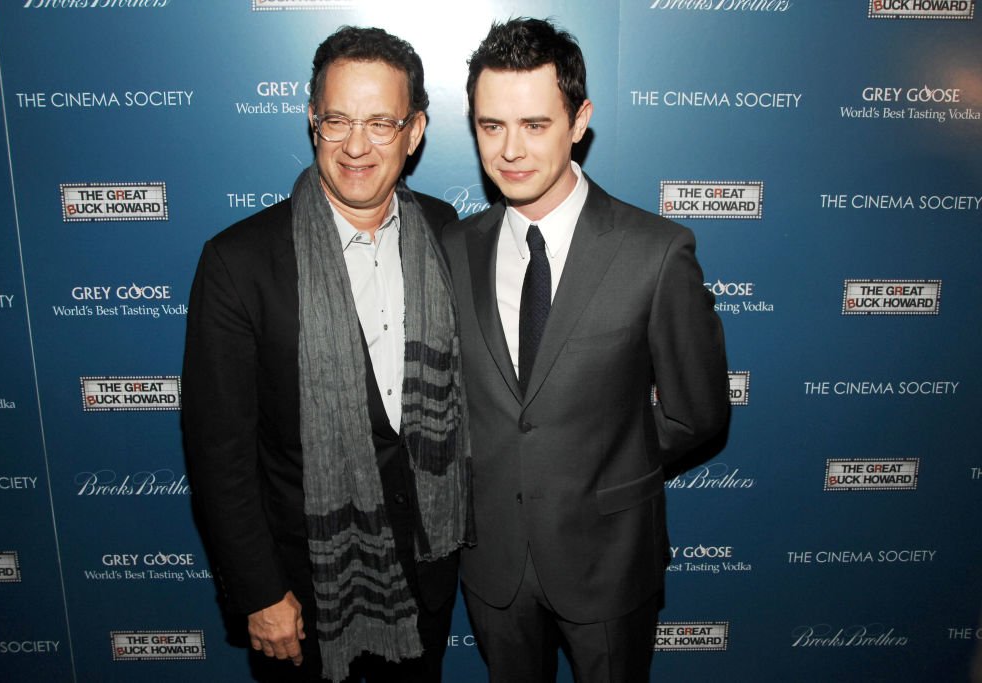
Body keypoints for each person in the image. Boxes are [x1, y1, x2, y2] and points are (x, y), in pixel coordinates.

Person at [442, 18, 729, 683]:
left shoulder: (655, 252)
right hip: (493, 560)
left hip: (609, 556)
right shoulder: (453, 249)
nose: (510, 150)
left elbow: (699, 413)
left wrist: (602, 457)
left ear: (580, 121)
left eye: (535, 124)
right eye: (491, 126)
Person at [182, 26, 472, 683]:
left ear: (415, 130)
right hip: (304, 586)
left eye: (380, 122)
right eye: (337, 120)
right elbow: (218, 452)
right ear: (312, 122)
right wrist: (258, 591)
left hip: (429, 568)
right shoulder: (239, 262)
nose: (358, 145)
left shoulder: (446, 232)